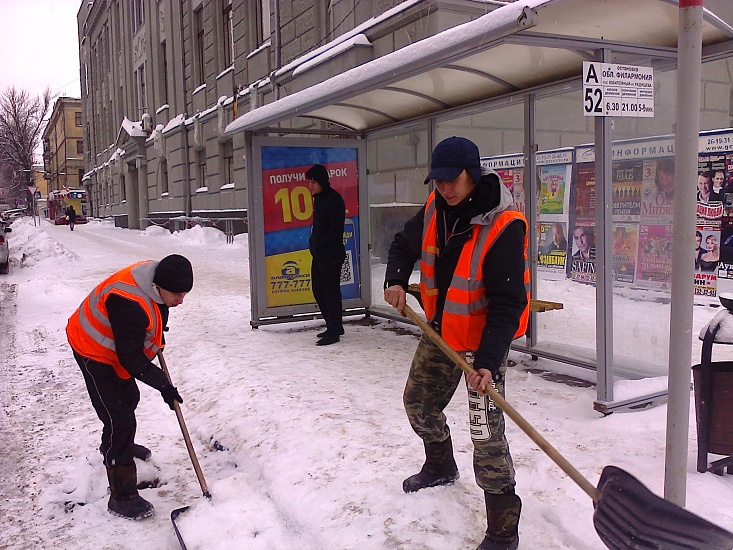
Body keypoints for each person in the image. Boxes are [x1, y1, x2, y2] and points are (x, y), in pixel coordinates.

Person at [384, 136, 529, 550]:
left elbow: (507, 303)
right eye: (438, 181)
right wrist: (395, 278)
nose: (444, 188)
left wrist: (487, 361)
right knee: (419, 403)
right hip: (440, 332)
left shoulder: (503, 224)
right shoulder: (434, 208)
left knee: (486, 435)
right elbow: (403, 243)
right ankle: (441, 466)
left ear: (473, 172)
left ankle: (503, 530)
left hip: (481, 347)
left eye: (452, 180)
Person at [66, 254, 193, 520]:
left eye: (184, 293)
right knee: (119, 418)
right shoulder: (128, 303)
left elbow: (153, 316)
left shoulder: (155, 281)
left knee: (129, 398)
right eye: (177, 294)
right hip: (92, 348)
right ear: (159, 286)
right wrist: (164, 385)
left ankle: (114, 446)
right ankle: (122, 495)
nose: (181, 300)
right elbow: (130, 358)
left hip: (114, 346)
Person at [306, 164, 346, 346]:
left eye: (313, 182)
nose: (310, 186)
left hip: (331, 254)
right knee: (318, 289)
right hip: (320, 253)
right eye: (309, 182)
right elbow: (319, 228)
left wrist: (319, 243)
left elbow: (335, 230)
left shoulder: (334, 200)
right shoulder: (319, 198)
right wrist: (313, 244)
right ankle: (333, 325)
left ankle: (334, 330)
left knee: (330, 292)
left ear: (322, 181)